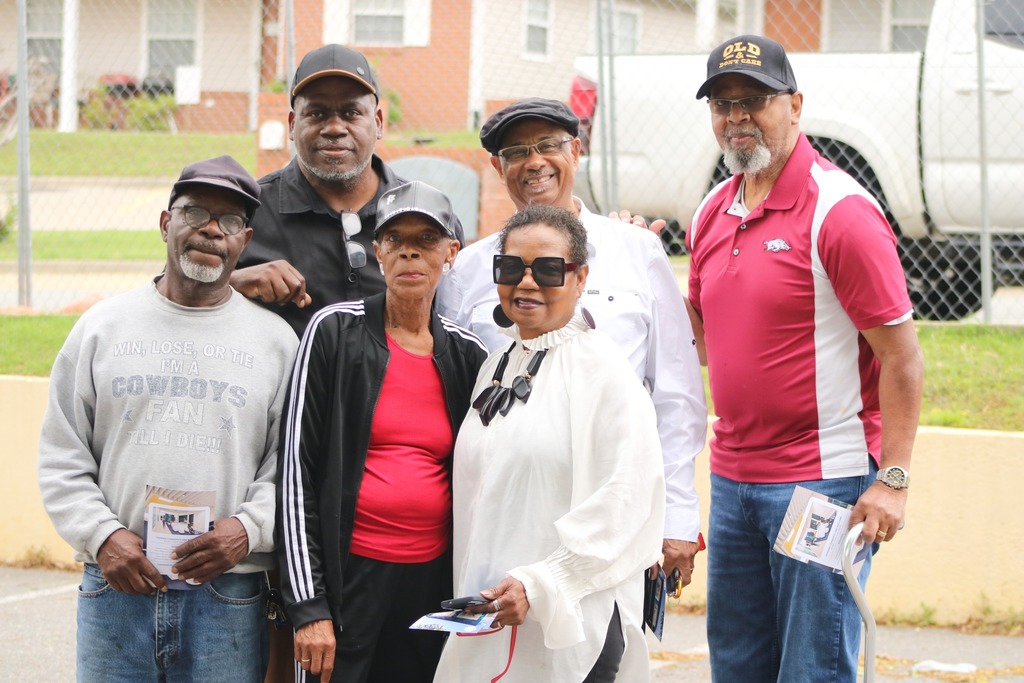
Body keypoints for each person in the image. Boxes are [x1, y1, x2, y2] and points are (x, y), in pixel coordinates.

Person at [685, 36, 925, 682]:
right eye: (723, 103)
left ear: (795, 105)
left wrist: (893, 477)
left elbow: (902, 359)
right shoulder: (711, 212)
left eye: (755, 101)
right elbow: (708, 338)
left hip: (820, 483)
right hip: (734, 483)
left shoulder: (840, 213)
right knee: (738, 663)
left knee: (812, 666)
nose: (737, 116)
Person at [37, 155, 299, 681]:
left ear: (244, 241)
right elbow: (62, 456)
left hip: (228, 593)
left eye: (228, 222)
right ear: (165, 223)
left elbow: (290, 467)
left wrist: (246, 530)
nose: (209, 229)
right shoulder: (100, 329)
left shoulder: (276, 343)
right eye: (195, 211)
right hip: (116, 586)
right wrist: (103, 537)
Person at [436, 98, 707, 587]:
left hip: (614, 510)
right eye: (516, 151)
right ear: (498, 168)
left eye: (548, 145)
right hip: (505, 513)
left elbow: (676, 393)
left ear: (576, 151)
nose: (534, 161)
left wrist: (677, 516)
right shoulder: (470, 272)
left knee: (604, 649)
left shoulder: (635, 250)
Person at [433, 205, 665, 682]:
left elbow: (627, 502)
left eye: (548, 269)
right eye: (512, 268)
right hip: (495, 614)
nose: (527, 282)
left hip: (573, 627)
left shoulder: (604, 374)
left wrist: (543, 583)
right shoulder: (495, 364)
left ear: (580, 278)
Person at [277, 181, 487, 683]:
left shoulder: (468, 355)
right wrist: (309, 606)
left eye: (427, 239)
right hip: (350, 579)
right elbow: (295, 475)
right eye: (395, 239)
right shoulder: (333, 331)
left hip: (430, 583)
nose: (410, 250)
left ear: (451, 252)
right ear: (377, 251)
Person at [232, 43, 465, 337]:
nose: (334, 128)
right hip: (290, 383)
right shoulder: (247, 211)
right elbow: (175, 295)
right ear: (292, 125)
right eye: (316, 114)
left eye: (351, 113)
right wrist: (232, 284)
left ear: (378, 123)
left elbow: (460, 317)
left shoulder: (429, 216)